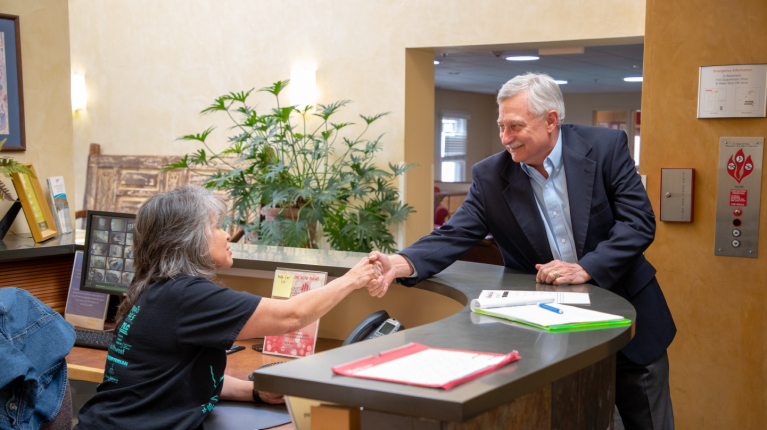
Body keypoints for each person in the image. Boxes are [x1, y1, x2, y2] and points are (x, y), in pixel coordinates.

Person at [367, 73, 676, 430]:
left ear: (550, 120)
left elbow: (638, 223)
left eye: (515, 126)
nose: (505, 138)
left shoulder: (606, 148)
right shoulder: (491, 175)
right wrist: (401, 262)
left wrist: (586, 268)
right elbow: (454, 233)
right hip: (550, 337)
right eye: (501, 126)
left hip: (632, 326)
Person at [75, 185, 383, 430]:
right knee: (327, 423)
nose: (226, 234)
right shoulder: (186, 295)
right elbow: (292, 315)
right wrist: (354, 278)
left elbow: (179, 382)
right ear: (189, 239)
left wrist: (254, 392)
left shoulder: (155, 288)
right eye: (216, 226)